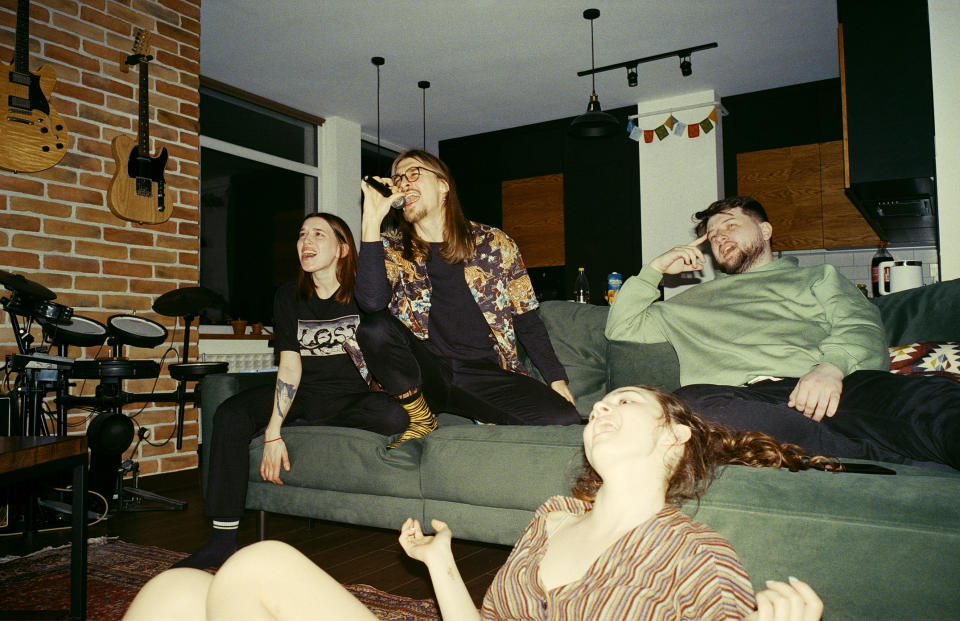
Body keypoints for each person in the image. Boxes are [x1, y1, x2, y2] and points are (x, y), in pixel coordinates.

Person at [124, 385, 825, 620]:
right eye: (600, 402)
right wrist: (442, 565)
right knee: (175, 590)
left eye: (626, 401)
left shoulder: (693, 555)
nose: (602, 405)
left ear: (675, 438)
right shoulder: (555, 515)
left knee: (258, 563)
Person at [606, 195, 959, 469]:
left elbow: (861, 324)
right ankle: (871, 448)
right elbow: (622, 326)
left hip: (835, 387)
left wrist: (831, 367)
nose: (719, 237)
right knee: (689, 406)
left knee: (934, 403)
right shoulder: (690, 302)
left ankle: (831, 448)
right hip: (748, 401)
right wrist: (654, 269)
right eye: (711, 236)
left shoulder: (818, 277)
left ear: (765, 230)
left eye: (730, 225)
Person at [173, 212, 407, 570]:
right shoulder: (289, 296)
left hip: (352, 397)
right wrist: (272, 431)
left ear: (343, 248)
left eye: (318, 234)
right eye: (301, 235)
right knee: (231, 413)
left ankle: (302, 423)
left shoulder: (364, 295)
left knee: (395, 415)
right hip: (303, 392)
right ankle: (222, 540)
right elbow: (290, 364)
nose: (306, 242)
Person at [356, 149, 580, 447]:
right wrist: (371, 220)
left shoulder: (495, 243)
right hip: (425, 376)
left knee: (563, 418)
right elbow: (371, 303)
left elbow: (526, 318)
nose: (404, 183)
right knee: (374, 327)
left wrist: (556, 379)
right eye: (398, 179)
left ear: (443, 185)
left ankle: (478, 410)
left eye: (413, 174)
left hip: (483, 374)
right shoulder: (391, 249)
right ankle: (420, 415)